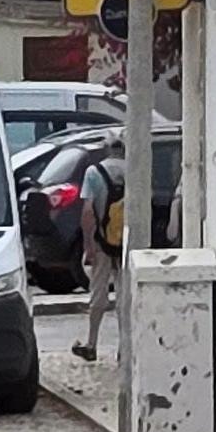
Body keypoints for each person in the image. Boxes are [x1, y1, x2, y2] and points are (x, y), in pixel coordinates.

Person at [75, 146, 121, 362]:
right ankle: (125, 347)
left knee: (98, 293)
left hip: (102, 241)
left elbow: (87, 212)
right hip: (127, 241)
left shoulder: (94, 173)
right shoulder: (135, 169)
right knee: (126, 295)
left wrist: (88, 244)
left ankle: (91, 344)